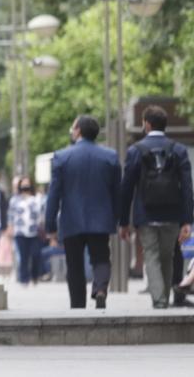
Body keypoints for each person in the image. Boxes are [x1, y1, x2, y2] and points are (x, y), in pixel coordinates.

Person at [117, 105, 193, 309]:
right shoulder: (178, 150)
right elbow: (187, 187)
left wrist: (123, 221)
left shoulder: (135, 150)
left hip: (146, 214)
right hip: (172, 214)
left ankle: (159, 300)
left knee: (151, 254)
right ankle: (164, 295)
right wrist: (187, 220)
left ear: (147, 124)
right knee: (168, 255)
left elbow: (126, 188)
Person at [45, 115, 120, 309]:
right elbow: (117, 192)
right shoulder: (110, 156)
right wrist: (120, 219)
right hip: (101, 220)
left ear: (77, 130)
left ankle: (78, 306)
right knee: (101, 259)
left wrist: (50, 224)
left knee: (75, 265)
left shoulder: (61, 157)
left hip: (72, 220)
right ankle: (100, 289)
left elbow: (53, 194)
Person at [8, 177, 44, 286]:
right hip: (20, 232)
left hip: (34, 231)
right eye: (23, 184)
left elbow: (41, 215)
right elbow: (10, 216)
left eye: (27, 184)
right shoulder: (14, 200)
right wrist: (10, 227)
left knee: (35, 254)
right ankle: (24, 279)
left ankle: (34, 275)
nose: (25, 186)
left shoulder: (36, 199)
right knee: (23, 256)